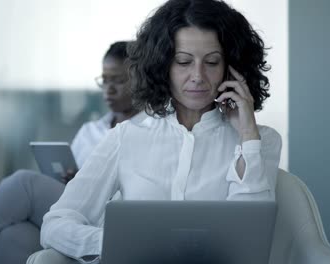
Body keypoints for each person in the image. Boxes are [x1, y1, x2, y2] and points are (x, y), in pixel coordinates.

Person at [37, 0, 282, 263]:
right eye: (183, 61)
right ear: (163, 65)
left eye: (211, 62)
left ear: (231, 68)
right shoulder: (126, 137)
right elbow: (56, 223)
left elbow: (249, 242)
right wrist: (117, 244)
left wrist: (247, 135)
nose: (198, 75)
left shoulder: (260, 141)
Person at [0, 41, 136, 264]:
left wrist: (86, 183)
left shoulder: (147, 131)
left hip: (100, 213)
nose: (109, 89)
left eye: (119, 80)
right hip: (67, 205)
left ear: (139, 81)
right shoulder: (90, 130)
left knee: (21, 183)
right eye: (105, 80)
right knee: (12, 236)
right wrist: (73, 179)